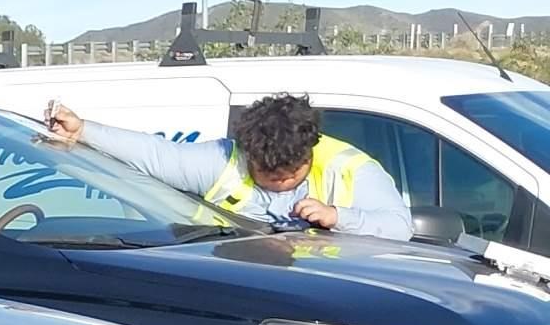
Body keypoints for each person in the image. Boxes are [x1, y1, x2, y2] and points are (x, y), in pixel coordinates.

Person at [42, 92, 412, 240]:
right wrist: (84, 130)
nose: (281, 183)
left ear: (309, 151)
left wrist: (338, 216)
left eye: (291, 175)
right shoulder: (223, 160)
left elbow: (400, 228)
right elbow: (155, 155)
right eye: (268, 175)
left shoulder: (351, 169)